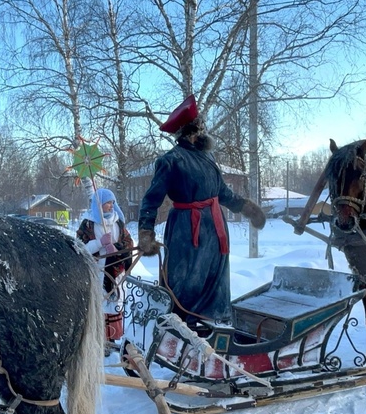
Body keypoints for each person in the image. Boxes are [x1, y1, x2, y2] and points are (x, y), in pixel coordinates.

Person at [137, 94, 266, 325]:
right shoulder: (171, 160)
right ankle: (178, 328)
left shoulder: (208, 156)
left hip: (215, 232)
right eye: (201, 124)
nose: (205, 128)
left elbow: (222, 193)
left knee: (215, 281)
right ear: (192, 129)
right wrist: (146, 232)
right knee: (184, 280)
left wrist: (247, 208)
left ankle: (214, 328)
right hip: (187, 232)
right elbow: (151, 200)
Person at [76, 188, 134, 341]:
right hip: (97, 272)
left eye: (112, 202)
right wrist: (99, 244)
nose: (111, 206)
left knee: (114, 303)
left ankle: (113, 337)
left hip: (114, 272)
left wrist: (117, 248)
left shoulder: (118, 223)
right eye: (108, 202)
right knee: (99, 305)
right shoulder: (88, 224)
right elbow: (79, 248)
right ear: (99, 204)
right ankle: (99, 340)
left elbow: (129, 243)